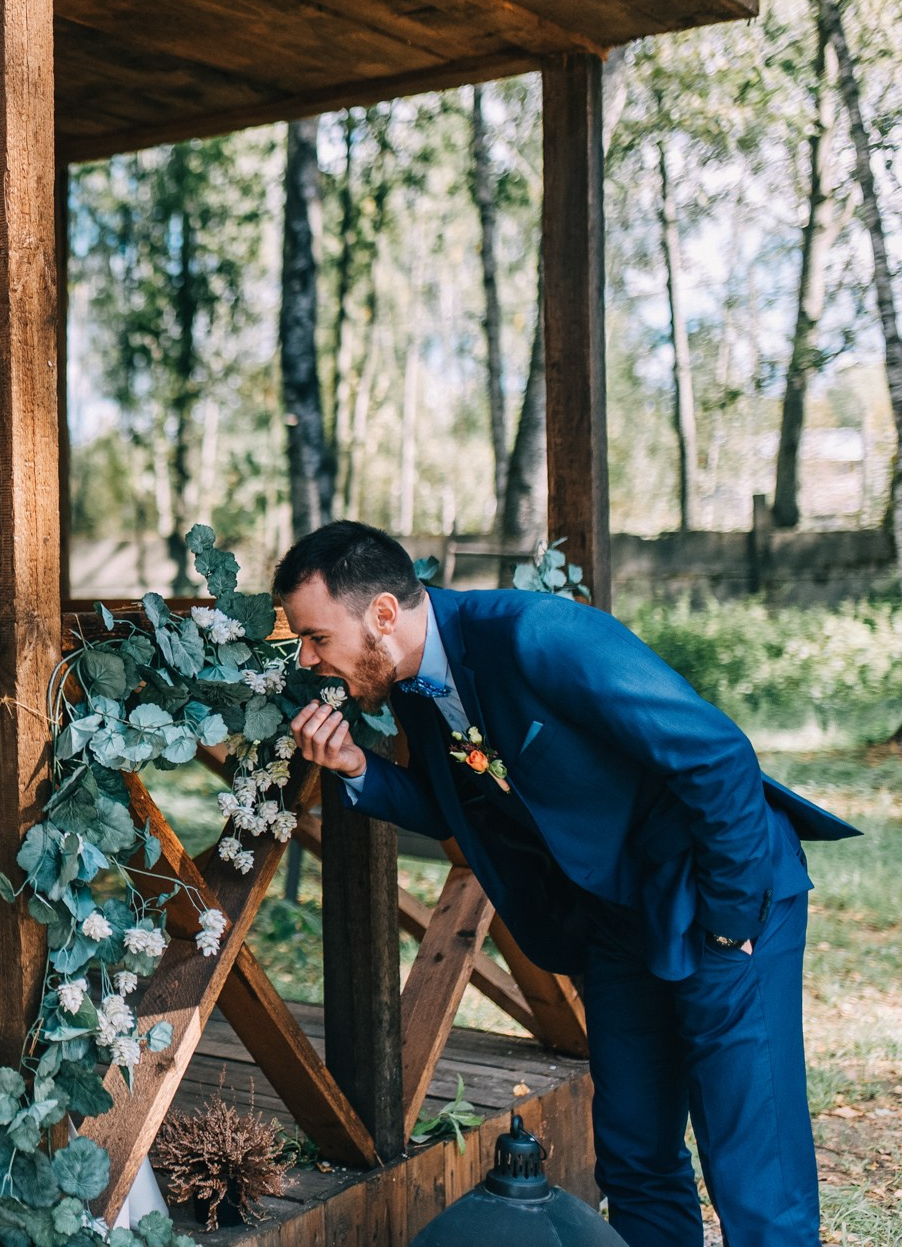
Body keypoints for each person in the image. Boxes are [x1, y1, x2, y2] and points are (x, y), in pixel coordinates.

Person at [276, 521, 856, 1247]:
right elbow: (460, 803)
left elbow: (717, 756)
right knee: (635, 1155)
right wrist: (360, 768)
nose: (308, 658)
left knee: (753, 1178)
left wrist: (731, 922)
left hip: (720, 896)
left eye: (315, 636)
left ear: (383, 615)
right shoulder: (415, 683)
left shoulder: (538, 636)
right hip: (615, 924)